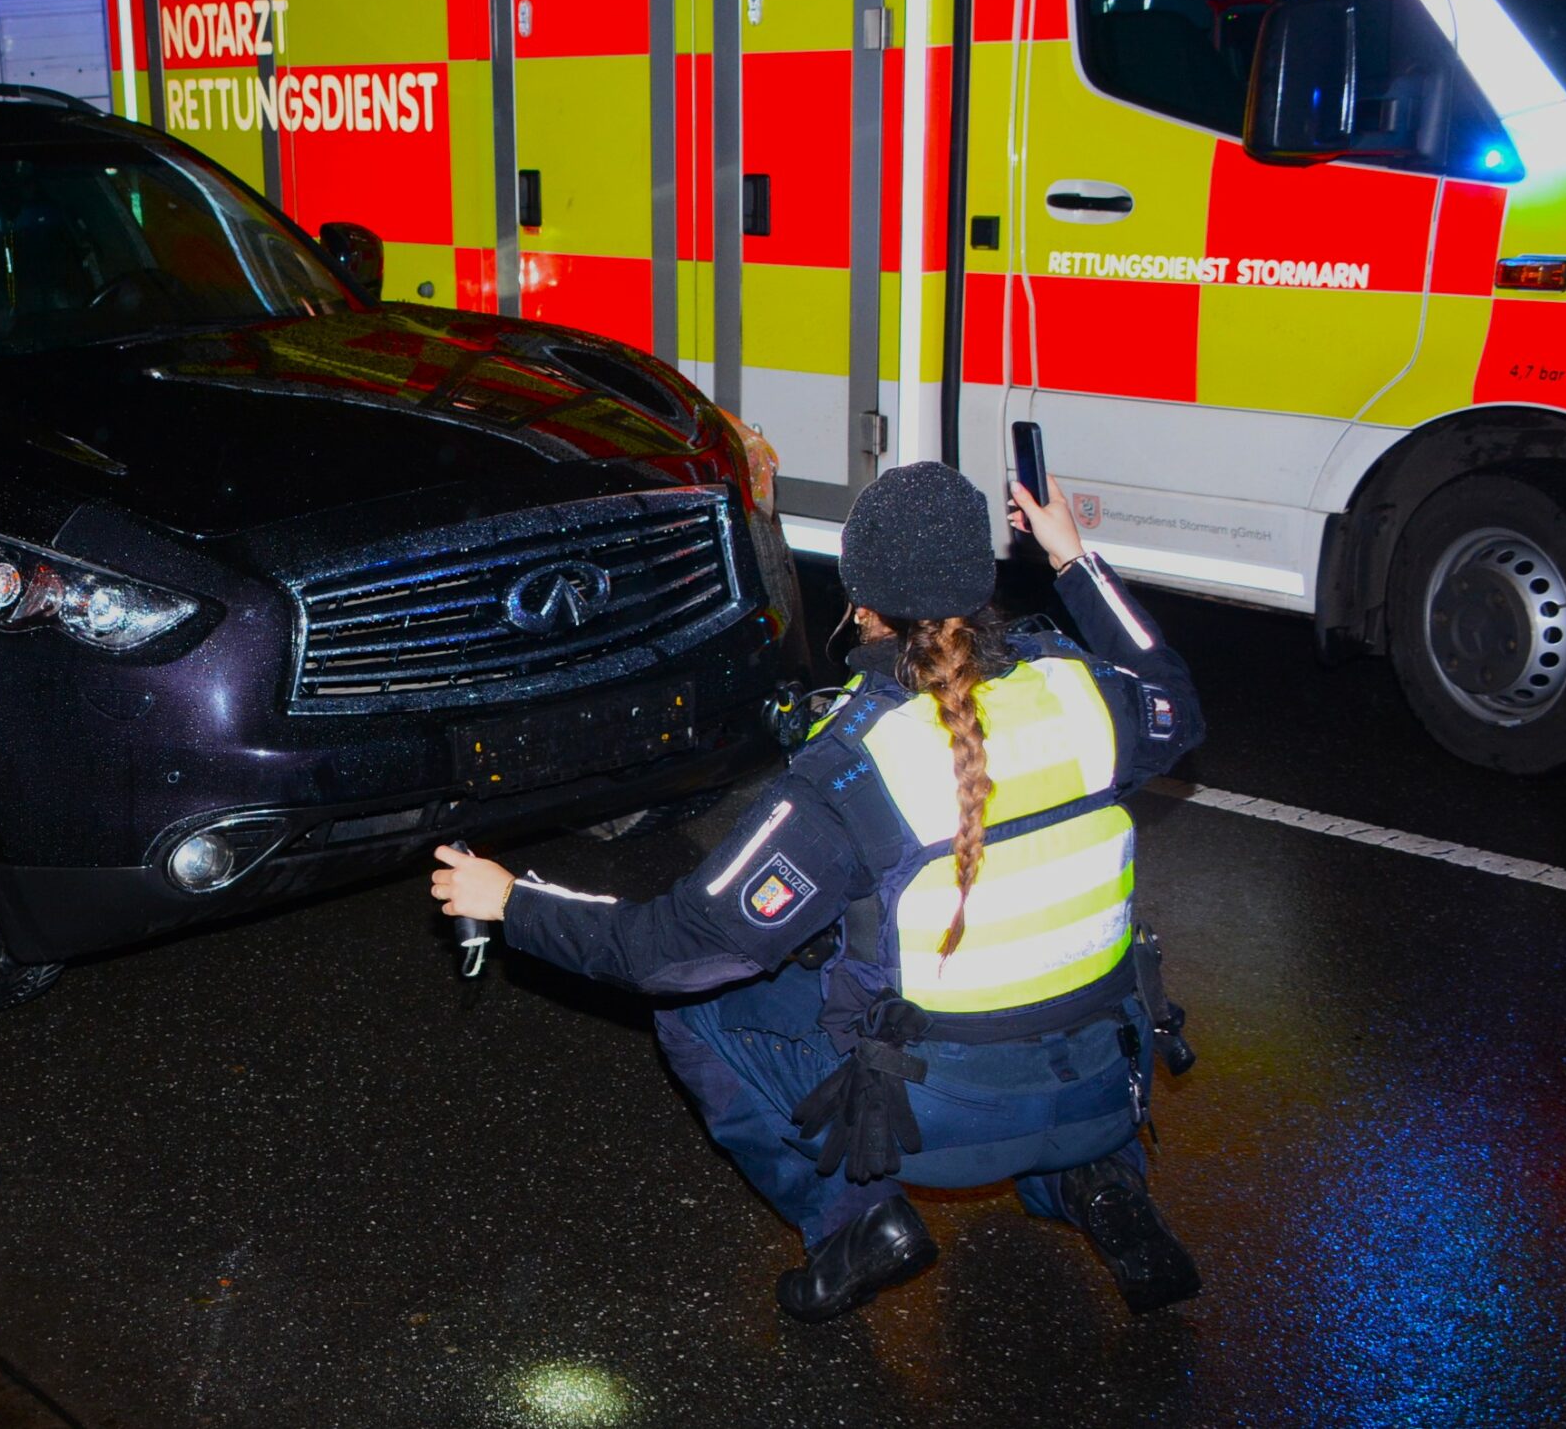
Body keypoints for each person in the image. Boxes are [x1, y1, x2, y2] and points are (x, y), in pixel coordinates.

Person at [433, 461, 1205, 1324]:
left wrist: (514, 900)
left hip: (930, 1120)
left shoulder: (854, 769)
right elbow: (1173, 689)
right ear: (983, 583)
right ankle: (1105, 1185)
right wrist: (1074, 561)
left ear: (861, 602)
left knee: (699, 1009)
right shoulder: (1088, 696)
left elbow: (676, 949)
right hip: (1105, 1080)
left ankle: (852, 1227)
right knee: (1033, 992)